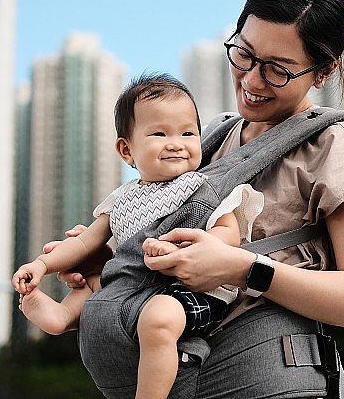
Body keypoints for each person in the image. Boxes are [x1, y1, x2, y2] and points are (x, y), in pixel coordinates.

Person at [53, 0, 344, 398]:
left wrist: (240, 267)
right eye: (243, 55)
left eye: (278, 70)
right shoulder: (209, 139)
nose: (251, 80)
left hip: (272, 381)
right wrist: (111, 262)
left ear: (323, 73)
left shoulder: (337, 143)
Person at [13, 73, 262, 399]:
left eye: (188, 133)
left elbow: (228, 233)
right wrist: (43, 265)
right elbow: (86, 242)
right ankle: (62, 315)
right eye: (159, 133)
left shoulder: (203, 189)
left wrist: (185, 246)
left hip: (192, 289)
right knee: (97, 280)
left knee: (159, 319)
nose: (176, 142)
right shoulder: (123, 198)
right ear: (126, 150)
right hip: (134, 286)